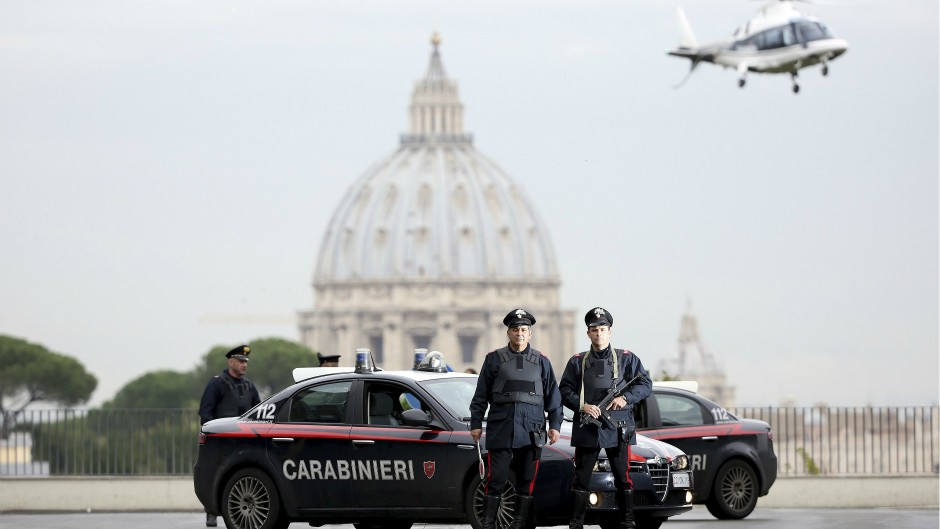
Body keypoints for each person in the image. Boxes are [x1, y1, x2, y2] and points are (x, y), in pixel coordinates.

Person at [470, 309, 563, 529]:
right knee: (496, 479)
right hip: (501, 428)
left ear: (530, 334)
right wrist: (476, 423)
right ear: (508, 333)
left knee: (526, 481)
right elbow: (480, 395)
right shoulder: (493, 359)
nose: (519, 333)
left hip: (532, 430)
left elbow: (553, 396)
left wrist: (555, 425)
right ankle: (488, 524)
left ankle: (518, 525)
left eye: (523, 329)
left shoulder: (542, 361)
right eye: (515, 329)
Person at [559, 307, 652, 529]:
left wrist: (626, 398)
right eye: (594, 329)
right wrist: (582, 406)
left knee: (623, 478)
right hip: (588, 426)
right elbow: (564, 390)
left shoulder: (627, 359)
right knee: (581, 479)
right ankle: (576, 524)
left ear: (609, 332)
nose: (598, 333)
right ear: (588, 333)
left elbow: (645, 384)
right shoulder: (577, 361)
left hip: (618, 427)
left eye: (602, 329)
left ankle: (627, 522)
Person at [198, 344, 261, 527]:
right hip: (221, 441)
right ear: (231, 362)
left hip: (244, 441)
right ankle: (211, 512)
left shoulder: (249, 386)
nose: (244, 365)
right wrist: (210, 436)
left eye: (246, 361)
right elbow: (206, 413)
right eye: (240, 361)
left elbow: (259, 414)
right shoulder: (217, 384)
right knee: (214, 476)